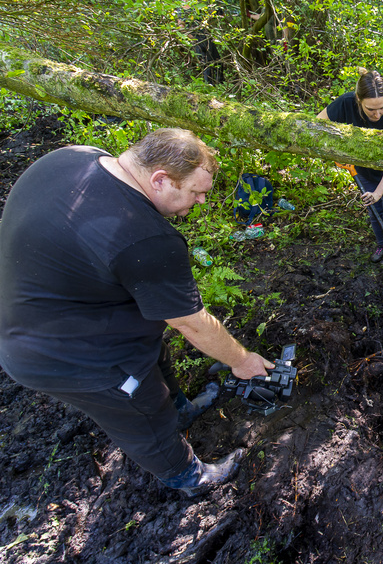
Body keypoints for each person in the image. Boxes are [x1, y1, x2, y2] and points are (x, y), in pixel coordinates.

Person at [0, 128, 275, 497]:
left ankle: (182, 411)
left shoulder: (73, 158)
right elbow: (190, 323)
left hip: (56, 302)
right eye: (196, 192)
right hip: (60, 350)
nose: (203, 202)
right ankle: (187, 476)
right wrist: (242, 361)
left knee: (153, 351)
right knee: (143, 409)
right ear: (160, 179)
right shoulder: (146, 237)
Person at [317, 68, 383, 263]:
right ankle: (382, 245)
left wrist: (379, 192)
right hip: (363, 170)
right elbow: (317, 124)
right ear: (358, 99)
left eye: (381, 108)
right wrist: (334, 150)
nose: (377, 114)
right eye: (370, 109)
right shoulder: (345, 103)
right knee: (375, 213)